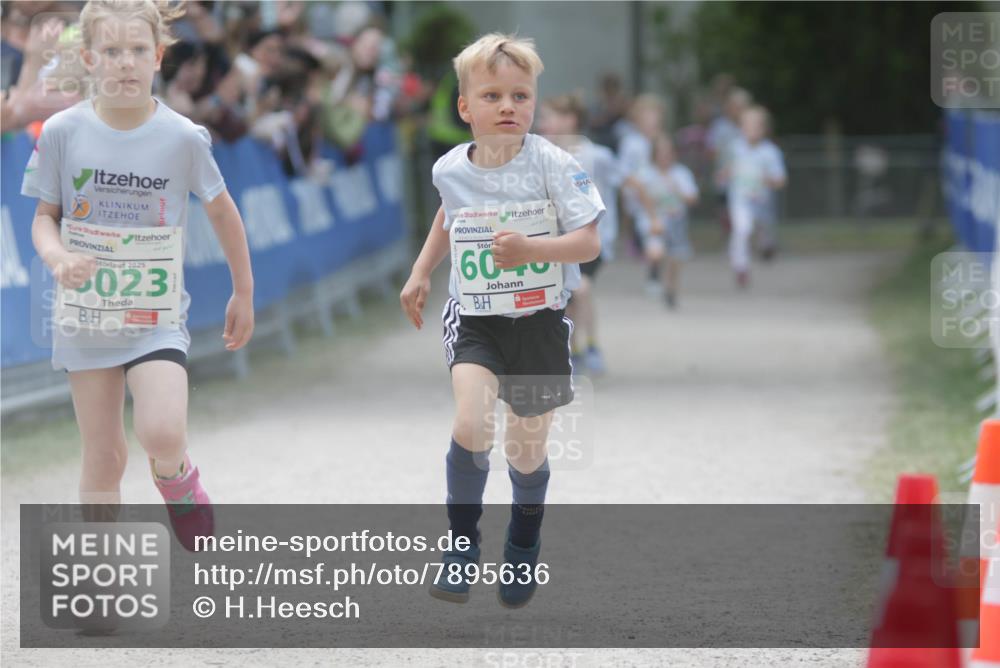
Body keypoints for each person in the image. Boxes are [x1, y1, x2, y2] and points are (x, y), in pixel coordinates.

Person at [20, 0, 255, 550]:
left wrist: (243, 290)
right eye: (111, 51)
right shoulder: (60, 131)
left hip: (154, 318)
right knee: (104, 457)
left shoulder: (183, 137)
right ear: (88, 58)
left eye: (137, 51)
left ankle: (176, 478)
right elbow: (43, 220)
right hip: (86, 318)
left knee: (161, 431)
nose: (125, 63)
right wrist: (57, 259)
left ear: (158, 57)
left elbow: (223, 212)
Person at [399, 33, 604, 607]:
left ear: (534, 102)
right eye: (492, 96)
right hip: (477, 319)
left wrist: (534, 252)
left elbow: (588, 242)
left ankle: (521, 543)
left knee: (527, 451)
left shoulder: (556, 165)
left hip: (539, 323)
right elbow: (449, 216)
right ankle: (462, 544)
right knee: (471, 422)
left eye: (520, 95)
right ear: (466, 107)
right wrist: (420, 272)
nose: (508, 106)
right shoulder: (449, 168)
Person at [538, 93, 643, 374]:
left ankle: (591, 347)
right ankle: (574, 352)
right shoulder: (542, 156)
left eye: (548, 117)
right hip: (558, 241)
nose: (542, 123)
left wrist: (652, 217)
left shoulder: (597, 156)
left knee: (580, 288)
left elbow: (630, 182)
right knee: (566, 301)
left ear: (570, 120)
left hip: (594, 240)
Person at [726, 105, 787, 287]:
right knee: (742, 230)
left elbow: (780, 180)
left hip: (762, 201)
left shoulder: (770, 152)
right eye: (747, 125)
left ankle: (767, 246)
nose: (751, 130)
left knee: (763, 230)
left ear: (764, 129)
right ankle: (741, 266)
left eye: (756, 126)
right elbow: (727, 170)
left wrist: (767, 179)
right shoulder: (735, 148)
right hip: (740, 200)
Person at [639, 134, 699, 308]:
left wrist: (678, 190)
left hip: (677, 223)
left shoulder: (681, 173)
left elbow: (692, 198)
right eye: (660, 153)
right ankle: (654, 274)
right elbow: (638, 196)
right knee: (656, 252)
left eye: (668, 153)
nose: (664, 157)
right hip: (653, 220)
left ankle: (670, 290)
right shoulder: (646, 174)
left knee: (675, 259)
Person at [618, 93, 666, 294]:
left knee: (658, 238)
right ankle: (654, 275)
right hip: (640, 197)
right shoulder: (632, 143)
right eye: (647, 116)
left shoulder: (662, 141)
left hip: (660, 196)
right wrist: (634, 187)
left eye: (655, 116)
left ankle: (656, 270)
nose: (651, 121)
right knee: (652, 236)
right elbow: (623, 172)